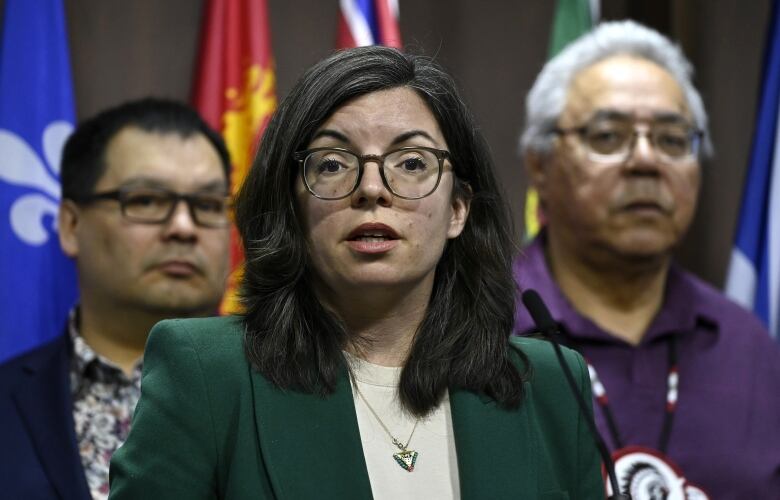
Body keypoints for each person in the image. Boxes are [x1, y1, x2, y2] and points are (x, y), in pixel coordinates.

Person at [108, 46, 603, 499]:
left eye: (411, 162)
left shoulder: (549, 384)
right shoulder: (207, 373)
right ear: (291, 207)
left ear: (458, 209)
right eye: (332, 164)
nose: (371, 187)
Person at [514, 20, 780, 499]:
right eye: (608, 136)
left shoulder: (750, 348)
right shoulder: (477, 332)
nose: (645, 160)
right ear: (540, 164)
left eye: (672, 139)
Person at [0, 98, 232, 500]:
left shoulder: (289, 393)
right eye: (146, 200)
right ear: (71, 225)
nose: (183, 227)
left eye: (208, 206)